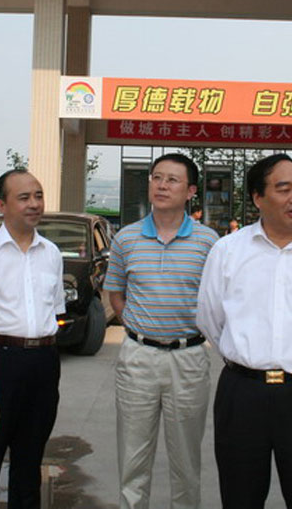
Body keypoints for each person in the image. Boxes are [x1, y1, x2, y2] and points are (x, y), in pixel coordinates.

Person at [197, 153, 292, 509]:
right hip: (243, 393)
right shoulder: (227, 251)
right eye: (283, 189)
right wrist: (247, 357)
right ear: (257, 198)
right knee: (240, 495)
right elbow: (211, 319)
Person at [104, 153, 218, 509]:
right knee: (133, 459)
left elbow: (217, 301)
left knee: (186, 461)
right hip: (138, 357)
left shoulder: (209, 242)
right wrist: (140, 328)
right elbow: (116, 293)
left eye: (172, 180)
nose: (162, 185)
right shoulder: (126, 239)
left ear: (191, 192)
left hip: (189, 359)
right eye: (157, 177)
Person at [0, 168, 65, 509]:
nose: (34, 204)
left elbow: (56, 311)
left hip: (43, 363)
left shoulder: (51, 252)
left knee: (29, 461)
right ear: (1, 205)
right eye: (24, 198)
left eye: (38, 196)